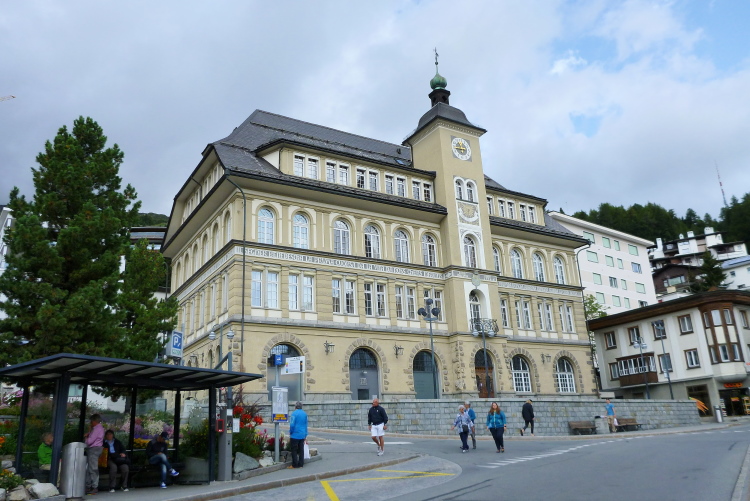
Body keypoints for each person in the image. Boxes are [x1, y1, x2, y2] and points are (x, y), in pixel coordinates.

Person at [84, 413, 105, 495]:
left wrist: (86, 437)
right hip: (97, 448)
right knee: (90, 468)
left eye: (91, 421)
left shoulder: (96, 429)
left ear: (94, 421)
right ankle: (89, 485)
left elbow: (90, 441)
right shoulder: (100, 428)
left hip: (94, 449)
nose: (90, 423)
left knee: (92, 468)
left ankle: (94, 486)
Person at [288, 401, 308, 469]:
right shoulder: (304, 414)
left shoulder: (294, 414)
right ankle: (301, 464)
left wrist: (290, 432)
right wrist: (305, 434)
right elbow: (306, 425)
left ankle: (294, 464)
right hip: (302, 434)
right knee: (301, 449)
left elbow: (292, 424)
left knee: (294, 449)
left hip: (295, 434)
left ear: (295, 407)